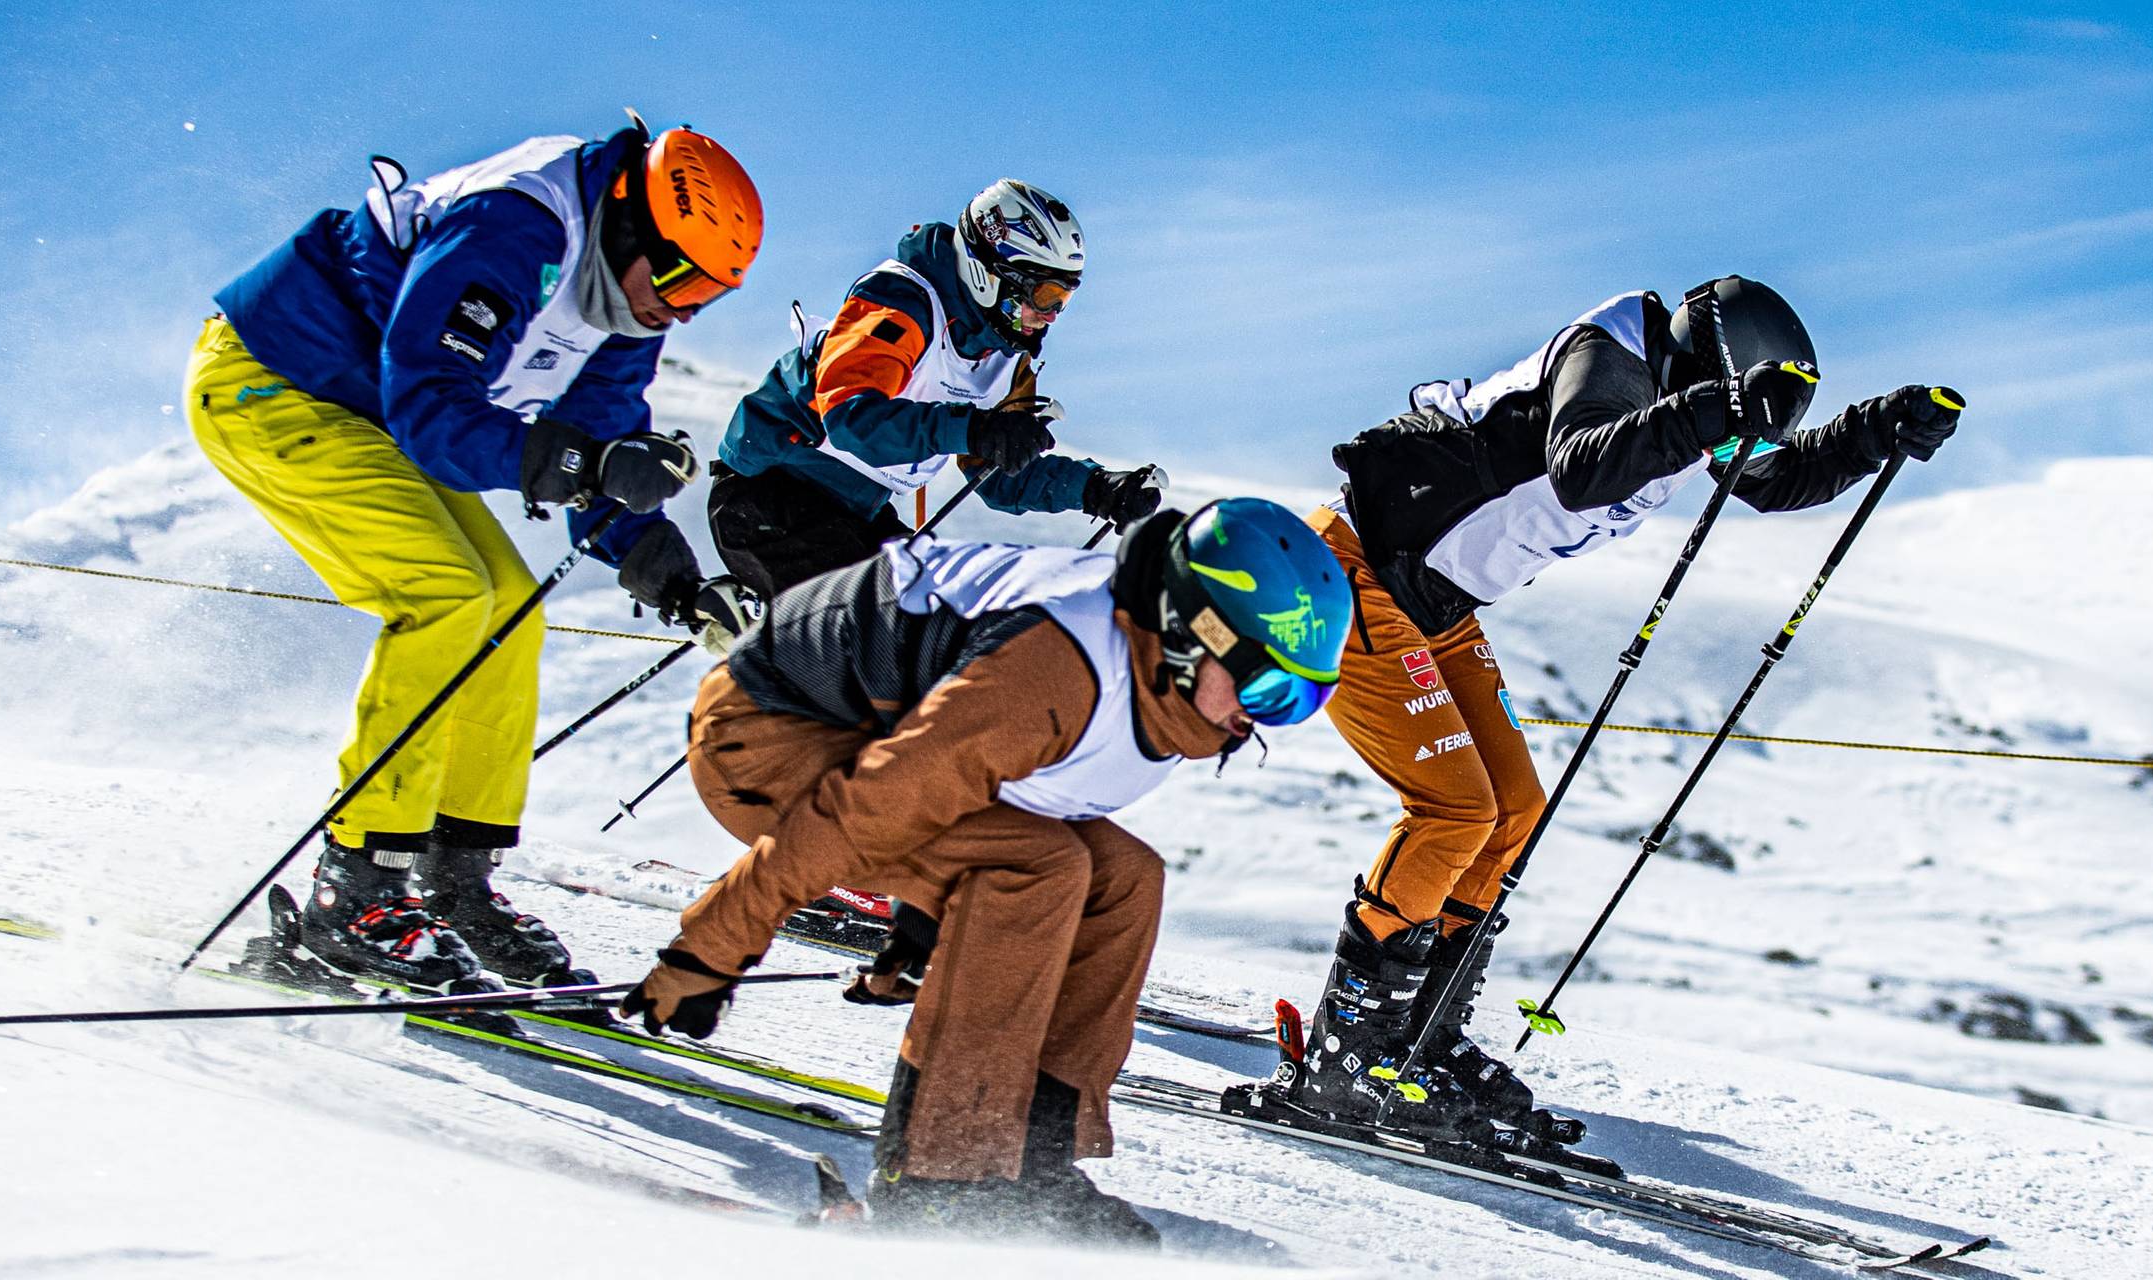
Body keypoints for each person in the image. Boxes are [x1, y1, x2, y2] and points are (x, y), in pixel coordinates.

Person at [1285, 276, 1965, 1137]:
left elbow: (1773, 479)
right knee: (1456, 811)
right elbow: (1582, 468)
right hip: (1349, 575)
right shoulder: (1608, 355)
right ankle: (1350, 1053)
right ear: (1706, 366)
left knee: (1514, 812)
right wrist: (1722, 410)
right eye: (1729, 405)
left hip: (1435, 606)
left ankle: (1423, 1039)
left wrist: (1874, 431)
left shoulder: (1686, 405)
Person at [619, 498, 1351, 1246]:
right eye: (1269, 689)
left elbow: (976, 776)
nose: (1265, 719)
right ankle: (940, 1181)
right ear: (1196, 634)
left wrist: (927, 923)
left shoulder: (1148, 671)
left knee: (1125, 880)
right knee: (1037, 868)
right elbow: (870, 807)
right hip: (761, 738)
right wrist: (710, 950)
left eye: (1303, 700)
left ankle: (1031, 1160)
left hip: (877, 744)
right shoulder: (1057, 670)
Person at [185, 115, 762, 991]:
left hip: (370, 419)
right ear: (629, 221)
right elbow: (432, 408)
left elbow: (604, 437)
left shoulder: (627, 306)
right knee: (448, 593)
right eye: (681, 277)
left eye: (710, 296)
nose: (682, 308)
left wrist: (675, 579)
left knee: (510, 612)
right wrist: (587, 463)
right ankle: (356, 886)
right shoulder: (513, 226)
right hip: (273, 382)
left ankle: (451, 884)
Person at [707, 178, 1167, 601]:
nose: (1050, 316)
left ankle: (766, 631)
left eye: (1063, 300)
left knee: (946, 617)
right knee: (886, 631)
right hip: (770, 494)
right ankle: (774, 648)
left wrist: (1095, 489)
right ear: (991, 273)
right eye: (1045, 295)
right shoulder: (900, 301)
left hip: (854, 513)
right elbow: (852, 419)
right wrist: (974, 429)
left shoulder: (1006, 360)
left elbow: (999, 475)